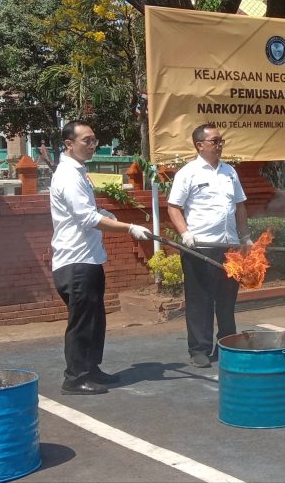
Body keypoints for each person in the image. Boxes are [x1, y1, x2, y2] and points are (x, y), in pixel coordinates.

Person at [50, 121, 152, 395]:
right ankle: (75, 378)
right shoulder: (68, 175)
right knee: (82, 322)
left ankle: (90, 369)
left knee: (95, 319)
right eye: (86, 140)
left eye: (94, 140)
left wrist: (104, 212)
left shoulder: (79, 173)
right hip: (76, 261)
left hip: (89, 258)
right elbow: (85, 218)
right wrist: (129, 228)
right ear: (69, 144)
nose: (92, 145)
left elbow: (87, 211)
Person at [167, 124, 252, 368]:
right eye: (214, 141)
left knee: (227, 299)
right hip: (200, 247)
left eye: (221, 140)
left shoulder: (230, 172)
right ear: (199, 145)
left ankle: (226, 344)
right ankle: (199, 349)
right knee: (200, 300)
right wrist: (185, 233)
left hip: (230, 246)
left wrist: (245, 237)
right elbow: (174, 207)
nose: (219, 145)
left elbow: (240, 206)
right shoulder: (188, 173)